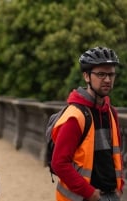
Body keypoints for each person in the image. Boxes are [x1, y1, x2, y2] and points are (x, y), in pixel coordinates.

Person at [51, 46, 124, 201]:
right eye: (101, 74)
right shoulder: (75, 116)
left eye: (111, 74)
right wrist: (90, 193)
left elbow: (116, 154)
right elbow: (59, 163)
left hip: (112, 195)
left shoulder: (111, 112)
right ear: (86, 76)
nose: (107, 80)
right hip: (84, 197)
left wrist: (119, 187)